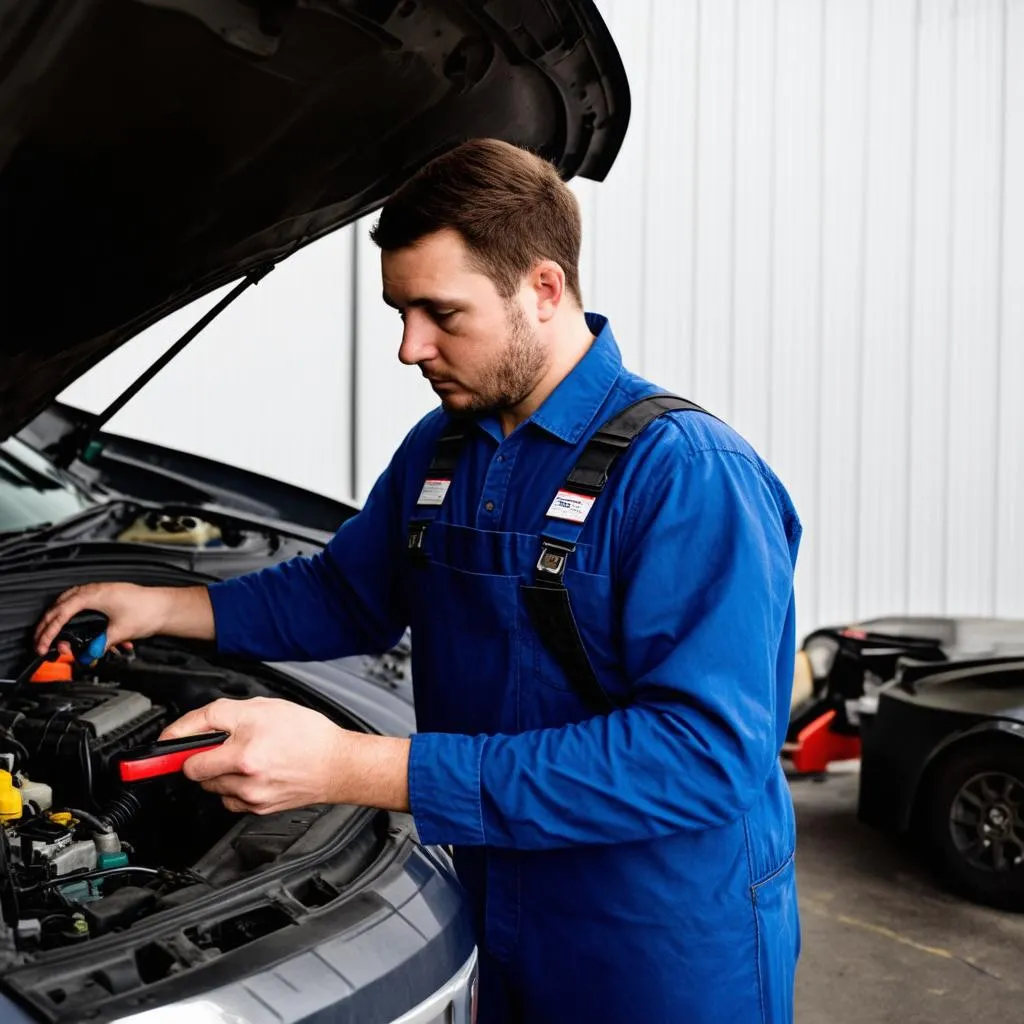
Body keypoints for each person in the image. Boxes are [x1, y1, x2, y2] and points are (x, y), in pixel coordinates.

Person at [36, 139, 802, 1022]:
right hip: (498, 914)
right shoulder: (444, 450)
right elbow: (345, 596)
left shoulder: (688, 477)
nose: (409, 348)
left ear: (543, 290)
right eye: (401, 311)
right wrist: (166, 606)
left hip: (660, 945)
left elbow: (701, 758)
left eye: (441, 313)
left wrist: (356, 766)